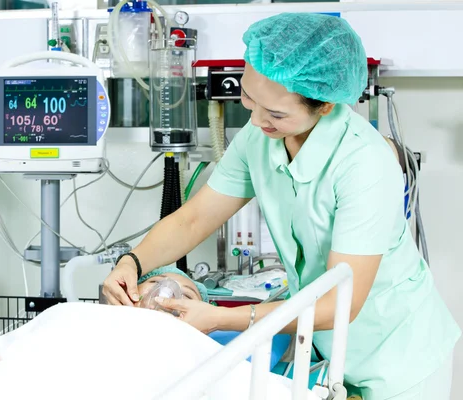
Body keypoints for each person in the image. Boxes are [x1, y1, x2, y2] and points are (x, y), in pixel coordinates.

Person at [102, 12, 461, 400]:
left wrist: (219, 318)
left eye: (275, 114)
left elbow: (340, 302)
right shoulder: (259, 139)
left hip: (399, 356)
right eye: (248, 97)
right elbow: (192, 219)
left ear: (324, 106)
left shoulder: (364, 165)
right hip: (331, 351)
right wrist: (131, 263)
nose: (256, 120)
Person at [0, 266, 208, 383]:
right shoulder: (72, 315)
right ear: (129, 295)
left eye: (188, 295)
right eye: (155, 284)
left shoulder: (203, 351)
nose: (168, 293)